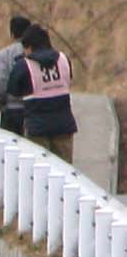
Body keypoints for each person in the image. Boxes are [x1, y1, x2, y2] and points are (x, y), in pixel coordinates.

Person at [9, 25, 78, 162]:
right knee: (64, 169)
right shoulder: (64, 59)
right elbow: (68, 79)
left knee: (39, 167)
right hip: (64, 125)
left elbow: (13, 90)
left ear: (29, 47)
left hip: (37, 128)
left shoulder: (24, 65)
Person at [0, 15, 35, 136]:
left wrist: (2, 103)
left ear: (12, 34)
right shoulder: (37, 52)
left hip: (11, 110)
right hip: (34, 111)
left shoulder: (4, 55)